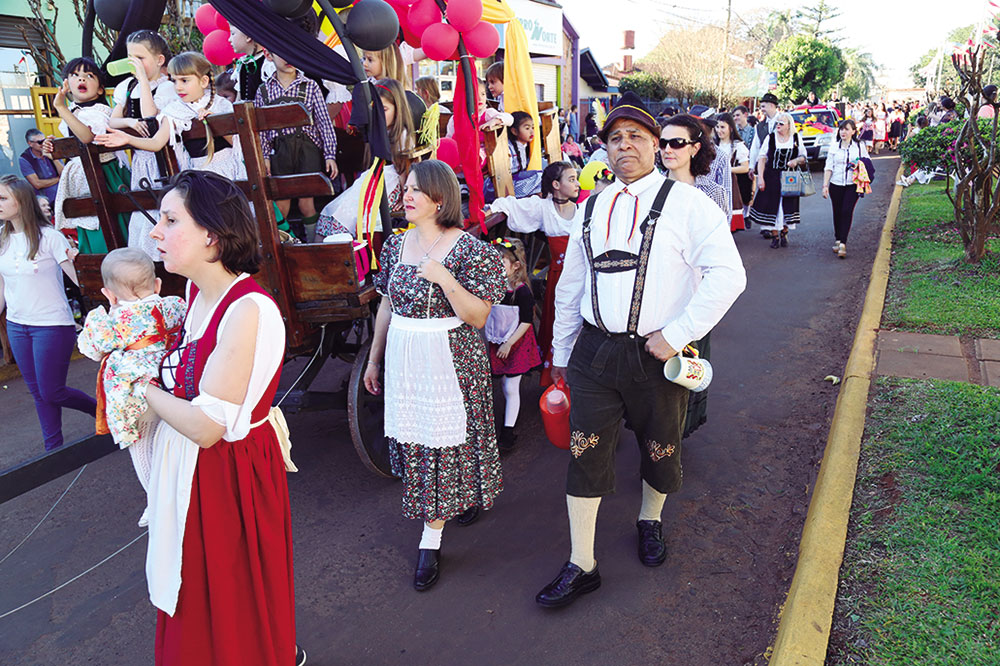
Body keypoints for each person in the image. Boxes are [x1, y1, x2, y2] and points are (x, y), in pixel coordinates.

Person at [537, 92, 746, 608]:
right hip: (594, 353)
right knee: (584, 452)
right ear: (604, 150)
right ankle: (581, 563)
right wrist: (561, 353)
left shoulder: (690, 205)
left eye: (636, 137)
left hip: (655, 355)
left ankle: (649, 520)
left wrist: (677, 334)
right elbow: (572, 284)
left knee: (661, 445)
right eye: (614, 138)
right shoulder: (590, 206)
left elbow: (730, 276)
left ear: (657, 145)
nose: (624, 145)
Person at [142, 171, 300, 666]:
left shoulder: (249, 309)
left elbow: (208, 427)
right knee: (199, 594)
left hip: (230, 476)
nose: (155, 232)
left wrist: (137, 388)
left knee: (227, 596)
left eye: (170, 220)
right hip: (200, 472)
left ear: (211, 234)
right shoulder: (195, 295)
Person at [363, 160, 506, 590]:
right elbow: (386, 305)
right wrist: (374, 359)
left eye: (415, 191)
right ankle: (450, 503)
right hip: (408, 358)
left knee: (446, 444)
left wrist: (445, 280)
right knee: (421, 442)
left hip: (450, 355)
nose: (405, 196)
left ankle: (430, 538)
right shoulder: (394, 247)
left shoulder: (470, 251)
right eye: (404, 189)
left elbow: (478, 317)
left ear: (439, 199)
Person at [76, 248, 186, 513]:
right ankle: (179, 495)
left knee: (142, 448)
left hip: (134, 393)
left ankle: (159, 506)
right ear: (157, 283)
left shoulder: (109, 320)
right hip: (171, 383)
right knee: (171, 442)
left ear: (109, 294)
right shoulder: (174, 305)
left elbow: (90, 349)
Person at [0, 175, 96, 451]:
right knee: (39, 394)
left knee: (51, 391)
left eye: (3, 198)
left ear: (22, 200)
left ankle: (99, 411)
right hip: (18, 325)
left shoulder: (50, 238)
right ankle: (53, 449)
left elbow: (79, 281)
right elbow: (2, 286)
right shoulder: (2, 239)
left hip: (52, 325)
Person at [485, 161, 580, 385]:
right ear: (556, 185)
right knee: (557, 319)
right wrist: (492, 209)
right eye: (572, 179)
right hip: (558, 278)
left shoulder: (583, 209)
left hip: (579, 275)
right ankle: (556, 376)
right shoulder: (543, 207)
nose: (577, 184)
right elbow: (510, 205)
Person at [96, 52, 244, 182]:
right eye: (174, 81)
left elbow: (239, 143)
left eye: (184, 80)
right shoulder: (174, 111)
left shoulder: (220, 104)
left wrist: (216, 122)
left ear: (204, 81)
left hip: (230, 169)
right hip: (199, 174)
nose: (178, 87)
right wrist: (128, 139)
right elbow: (156, 142)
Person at [47, 57, 132, 254]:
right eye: (75, 75)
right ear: (67, 84)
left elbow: (87, 136)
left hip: (105, 175)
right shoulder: (73, 112)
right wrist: (51, 146)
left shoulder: (100, 111)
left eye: (89, 76)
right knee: (89, 230)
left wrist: (61, 108)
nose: (81, 79)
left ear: (100, 89)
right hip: (84, 178)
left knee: (112, 230)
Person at [108, 30, 179, 262]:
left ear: (159, 60)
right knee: (143, 208)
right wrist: (128, 121)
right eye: (131, 58)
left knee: (167, 206)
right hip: (141, 160)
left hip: (164, 158)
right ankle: (149, 262)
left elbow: (151, 115)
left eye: (141, 58)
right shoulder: (127, 87)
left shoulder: (167, 87)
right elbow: (112, 120)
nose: (134, 64)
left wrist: (144, 82)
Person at [256, 48, 339, 240]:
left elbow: (324, 123)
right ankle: (285, 244)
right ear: (269, 55)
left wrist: (330, 155)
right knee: (282, 204)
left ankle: (313, 244)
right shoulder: (264, 91)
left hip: (306, 149)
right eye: (282, 52)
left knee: (306, 203)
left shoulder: (309, 86)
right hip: (280, 151)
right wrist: (265, 157)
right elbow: (262, 131)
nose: (288, 58)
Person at [316, 78, 414, 238]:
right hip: (373, 179)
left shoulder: (401, 135)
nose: (380, 115)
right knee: (334, 209)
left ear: (398, 109)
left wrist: (405, 196)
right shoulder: (377, 132)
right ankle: (320, 250)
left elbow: (404, 170)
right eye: (376, 109)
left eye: (385, 109)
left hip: (387, 184)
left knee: (350, 210)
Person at [486, 237, 541, 451]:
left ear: (515, 265)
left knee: (510, 386)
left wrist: (509, 343)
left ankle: (507, 432)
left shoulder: (522, 292)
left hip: (515, 343)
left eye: (501, 263)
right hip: (498, 340)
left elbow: (527, 321)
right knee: (504, 385)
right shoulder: (494, 287)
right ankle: (505, 419)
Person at [747, 111, 808, 249]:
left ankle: (784, 233)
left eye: (781, 123)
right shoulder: (771, 138)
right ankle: (775, 236)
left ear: (788, 125)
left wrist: (796, 160)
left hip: (790, 177)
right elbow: (762, 158)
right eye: (777, 123)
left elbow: (803, 156)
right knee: (772, 206)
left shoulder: (796, 138)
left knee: (787, 206)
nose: (778, 125)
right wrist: (761, 178)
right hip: (772, 176)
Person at [822, 119, 869, 259]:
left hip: (853, 184)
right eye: (841, 129)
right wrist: (825, 185)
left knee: (847, 210)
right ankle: (837, 238)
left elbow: (867, 162)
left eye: (847, 129)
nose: (843, 132)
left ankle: (843, 242)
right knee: (837, 211)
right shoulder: (834, 147)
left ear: (853, 131)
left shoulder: (859, 146)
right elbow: (828, 167)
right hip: (836, 184)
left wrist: (858, 164)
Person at [714, 112, 751, 231]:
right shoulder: (713, 145)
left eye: (722, 127)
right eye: (717, 127)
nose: (719, 130)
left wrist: (726, 169)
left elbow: (745, 167)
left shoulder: (737, 146)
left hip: (730, 184)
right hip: (713, 183)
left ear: (730, 127)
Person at [227, 24, 272, 102]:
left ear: (248, 37)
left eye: (233, 33)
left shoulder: (267, 63)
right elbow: (239, 97)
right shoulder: (242, 64)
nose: (229, 39)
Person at [19, 128, 62, 205]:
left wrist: (54, 159)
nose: (43, 144)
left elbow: (65, 174)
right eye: (40, 142)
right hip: (46, 202)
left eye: (44, 141)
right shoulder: (25, 159)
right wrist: (59, 179)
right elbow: (37, 184)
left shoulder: (51, 150)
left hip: (63, 196)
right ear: (30, 143)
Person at [508, 111, 542, 197]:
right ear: (514, 131)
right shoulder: (509, 148)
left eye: (533, 128)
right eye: (527, 128)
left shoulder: (525, 146)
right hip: (510, 185)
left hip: (519, 182)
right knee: (540, 176)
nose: (531, 132)